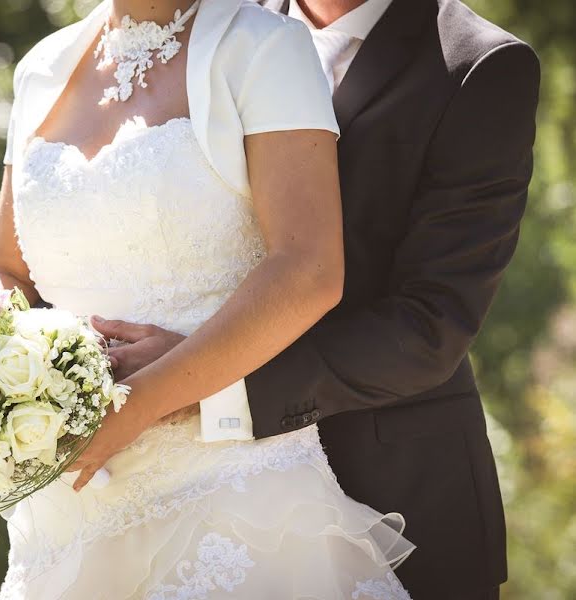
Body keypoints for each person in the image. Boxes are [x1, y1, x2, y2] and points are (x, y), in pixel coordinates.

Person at [89, 0, 541, 598]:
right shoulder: (217, 27)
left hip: (392, 492)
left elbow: (430, 326)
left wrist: (198, 386)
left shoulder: (480, 66)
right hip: (182, 498)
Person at [0, 0, 420, 597]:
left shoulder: (264, 47)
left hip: (231, 493)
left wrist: (138, 404)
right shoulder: (40, 68)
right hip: (66, 512)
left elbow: (309, 268)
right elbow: (5, 269)